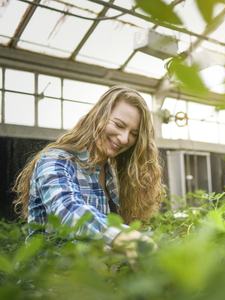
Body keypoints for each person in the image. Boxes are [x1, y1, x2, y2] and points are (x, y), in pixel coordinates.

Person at [13, 85, 163, 258]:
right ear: (98, 116)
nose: (124, 138)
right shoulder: (55, 161)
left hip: (91, 280)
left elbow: (100, 243)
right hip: (47, 280)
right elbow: (67, 209)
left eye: (133, 133)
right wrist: (125, 238)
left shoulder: (111, 175)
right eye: (119, 125)